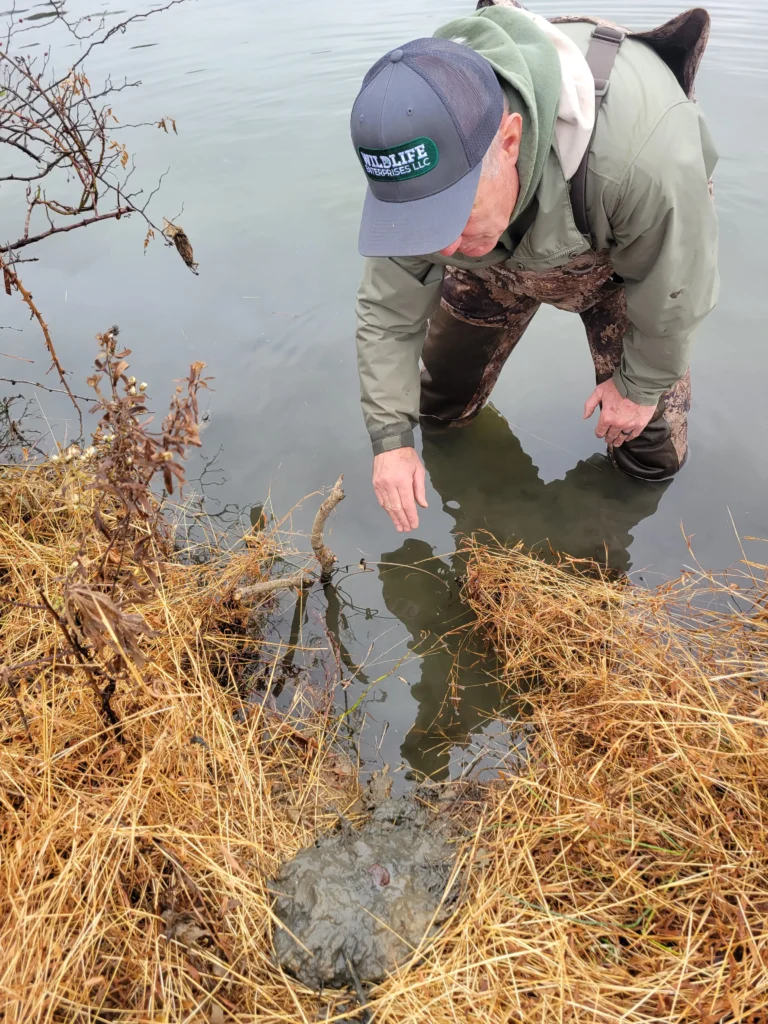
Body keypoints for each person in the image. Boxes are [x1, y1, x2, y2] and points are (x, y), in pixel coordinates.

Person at [350, 0, 719, 534]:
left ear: (510, 139)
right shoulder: (415, 161)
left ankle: (597, 555)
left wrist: (639, 387)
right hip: (499, 260)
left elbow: (676, 286)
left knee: (649, 457)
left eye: (454, 212)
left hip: (620, 261)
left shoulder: (643, 159)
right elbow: (387, 313)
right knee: (435, 409)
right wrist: (390, 441)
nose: (442, 247)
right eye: (423, 225)